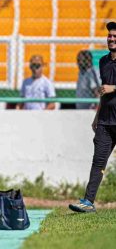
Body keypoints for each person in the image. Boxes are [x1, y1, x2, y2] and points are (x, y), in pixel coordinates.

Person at [69, 22, 116, 213]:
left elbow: (110, 88)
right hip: (105, 121)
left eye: (114, 36)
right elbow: (104, 91)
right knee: (98, 161)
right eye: (109, 36)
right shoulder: (103, 61)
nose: (111, 39)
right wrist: (97, 115)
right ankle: (88, 201)